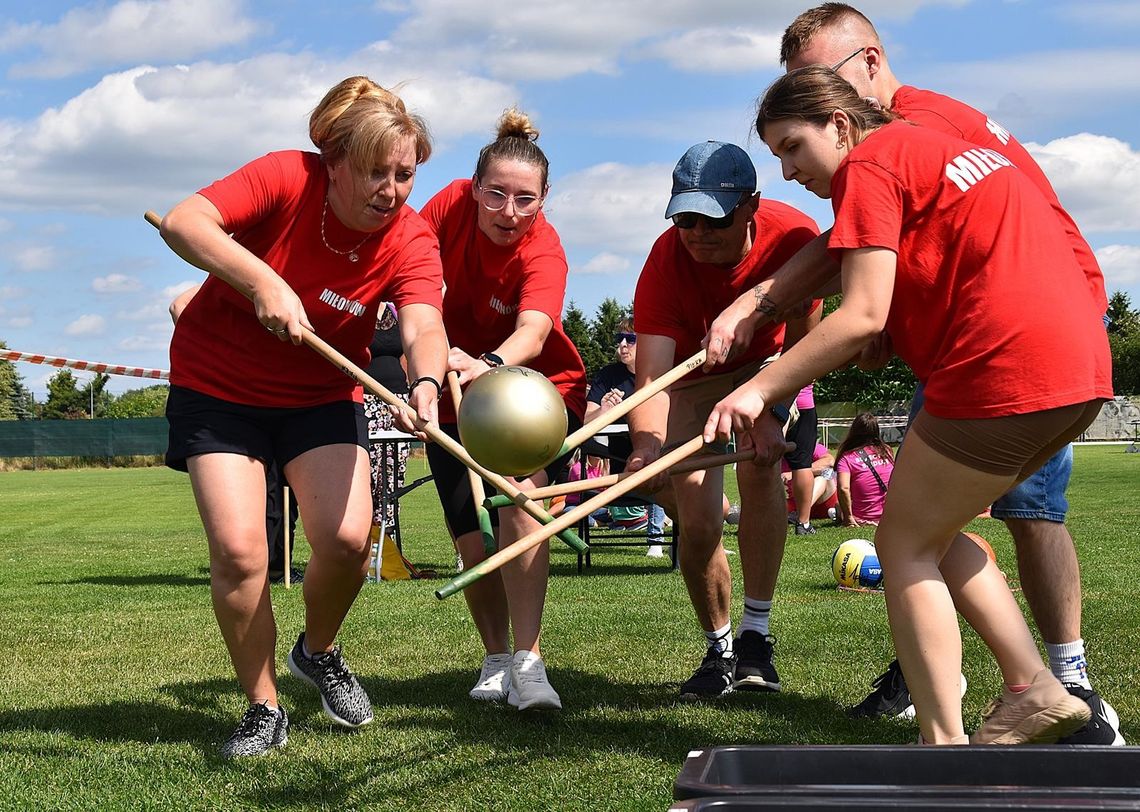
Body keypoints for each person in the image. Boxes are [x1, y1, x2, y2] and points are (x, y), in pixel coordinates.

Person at [704, 66, 1110, 744]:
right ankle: (1034, 688)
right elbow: (932, 275)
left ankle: (945, 741)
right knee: (931, 532)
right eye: (777, 155)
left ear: (840, 125)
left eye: (793, 146)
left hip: (1002, 365)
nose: (787, 171)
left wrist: (759, 388)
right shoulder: (929, 148)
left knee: (903, 545)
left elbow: (860, 315)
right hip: (1080, 368)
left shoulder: (869, 162)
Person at [159, 76, 448, 758]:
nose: (391, 190)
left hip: (319, 395)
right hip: (218, 387)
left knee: (347, 542)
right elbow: (183, 222)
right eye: (375, 172)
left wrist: (427, 382)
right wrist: (264, 280)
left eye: (405, 174)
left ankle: (317, 652)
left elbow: (424, 323)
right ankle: (263, 707)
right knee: (240, 552)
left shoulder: (410, 237)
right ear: (335, 161)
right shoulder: (287, 176)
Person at [626, 140, 819, 700]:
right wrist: (646, 448)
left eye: (715, 219)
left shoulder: (794, 238)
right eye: (685, 218)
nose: (697, 233)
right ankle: (720, 650)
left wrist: (771, 407)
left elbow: (806, 346)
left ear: (751, 206)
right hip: (691, 377)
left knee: (760, 469)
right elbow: (653, 380)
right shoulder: (665, 263)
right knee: (698, 515)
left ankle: (756, 638)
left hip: (767, 364)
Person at [420, 109, 587, 712]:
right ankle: (495, 658)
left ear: (544, 198)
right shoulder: (446, 206)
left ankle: (528, 660)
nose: (508, 212)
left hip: (532, 392)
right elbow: (407, 267)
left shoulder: (545, 249)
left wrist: (485, 362)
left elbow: (534, 332)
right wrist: (429, 353)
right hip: (452, 388)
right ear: (473, 187)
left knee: (520, 503)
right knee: (470, 534)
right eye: (495, 194)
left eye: (525, 199)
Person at [171, 284, 301, 583]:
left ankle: (277, 564)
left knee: (284, 496)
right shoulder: (236, 282)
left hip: (291, 401)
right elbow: (179, 306)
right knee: (266, 498)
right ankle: (271, 567)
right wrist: (217, 356)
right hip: (241, 406)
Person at [584, 319, 669, 556]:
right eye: (619, 339)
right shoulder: (607, 376)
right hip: (618, 465)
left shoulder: (658, 373)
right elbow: (586, 423)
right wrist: (603, 412)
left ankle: (658, 540)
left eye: (630, 339)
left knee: (659, 459)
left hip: (654, 458)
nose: (622, 345)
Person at [364, 301, 410, 540]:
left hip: (397, 402)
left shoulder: (395, 312)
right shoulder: (361, 309)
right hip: (365, 400)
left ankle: (387, 537)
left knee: (393, 471)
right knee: (367, 473)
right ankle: (365, 534)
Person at [833, 412, 893, 527]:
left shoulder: (847, 458)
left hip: (862, 517)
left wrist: (848, 518)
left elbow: (843, 488)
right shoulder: (887, 451)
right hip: (888, 515)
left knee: (837, 505)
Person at [780, 439, 837, 526]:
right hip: (795, 501)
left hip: (825, 500)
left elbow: (830, 462)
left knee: (822, 478)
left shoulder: (812, 447)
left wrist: (794, 474)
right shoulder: (777, 458)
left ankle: (799, 513)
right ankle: (798, 513)